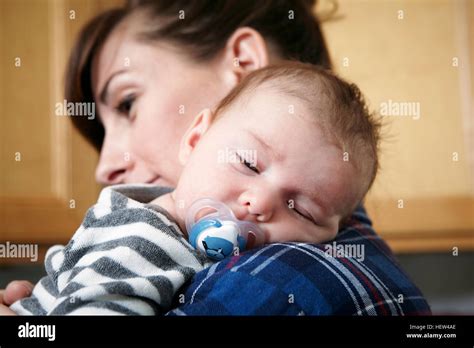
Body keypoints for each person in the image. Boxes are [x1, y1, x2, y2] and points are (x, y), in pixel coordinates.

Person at [1, 0, 430, 315]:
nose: (104, 166)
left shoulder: (275, 282)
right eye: (248, 165)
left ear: (242, 62)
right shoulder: (165, 242)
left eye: (128, 102)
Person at [11, 63, 381, 315]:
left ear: (334, 232)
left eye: (303, 210)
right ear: (195, 138)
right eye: (249, 163)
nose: (258, 203)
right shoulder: (146, 240)